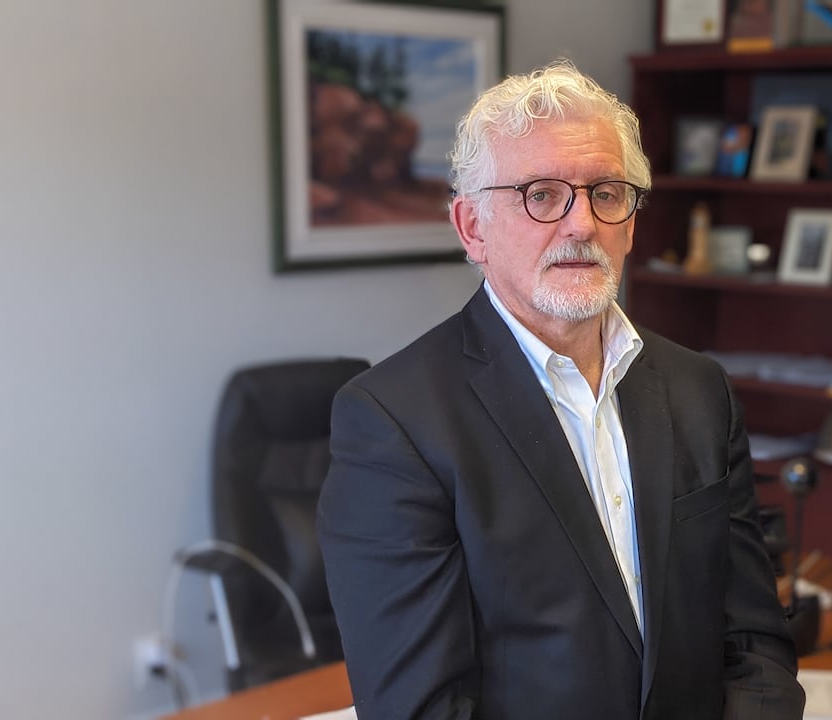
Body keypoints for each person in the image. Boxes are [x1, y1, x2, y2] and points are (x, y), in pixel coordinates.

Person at [317, 59, 806, 720]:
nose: (582, 224)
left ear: (630, 223)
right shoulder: (394, 422)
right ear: (472, 228)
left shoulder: (700, 392)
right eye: (542, 195)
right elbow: (421, 708)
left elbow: (753, 644)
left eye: (606, 192)